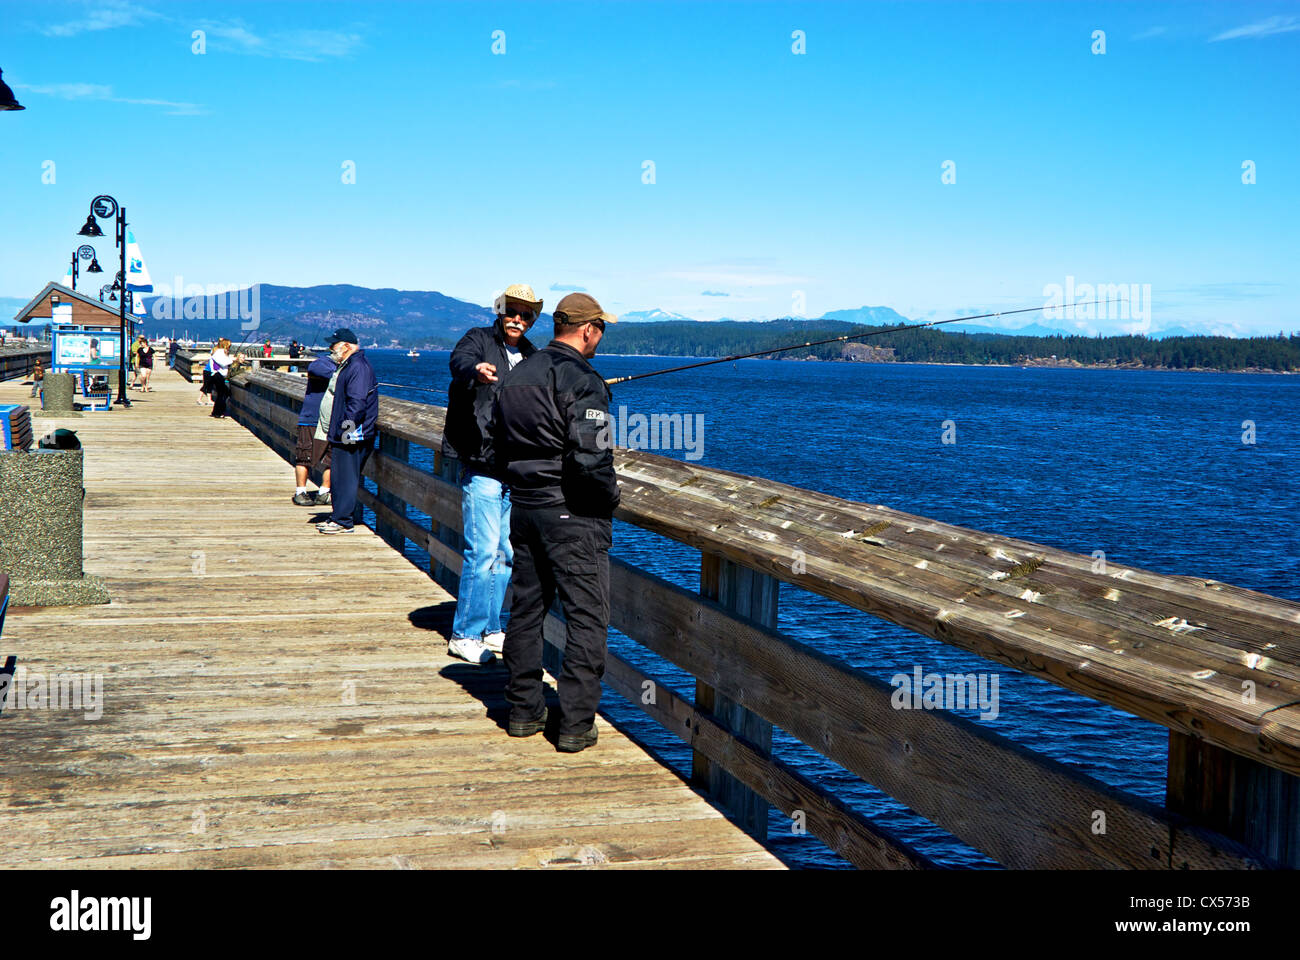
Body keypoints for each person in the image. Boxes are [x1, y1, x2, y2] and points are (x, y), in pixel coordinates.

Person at [493, 293, 620, 753]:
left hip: (524, 507)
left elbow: (497, 442)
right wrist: (610, 499)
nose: (600, 338)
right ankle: (574, 724)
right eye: (602, 330)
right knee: (587, 618)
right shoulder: (584, 379)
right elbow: (591, 458)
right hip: (573, 513)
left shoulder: (518, 373)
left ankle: (524, 711)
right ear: (589, 329)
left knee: (527, 611)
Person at [441, 283, 542, 665]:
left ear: (533, 320)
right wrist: (475, 371)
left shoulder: (533, 356)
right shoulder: (478, 340)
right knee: (481, 552)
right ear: (500, 311)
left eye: (526, 314)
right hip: (482, 465)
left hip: (514, 469)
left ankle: (491, 627)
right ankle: (464, 633)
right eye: (512, 311)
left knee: (506, 553)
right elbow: (458, 362)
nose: (518, 318)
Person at [314, 328, 377, 535]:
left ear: (346, 346)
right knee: (339, 477)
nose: (331, 350)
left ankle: (344, 521)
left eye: (334, 346)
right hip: (344, 433)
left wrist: (345, 429)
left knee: (347, 478)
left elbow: (357, 403)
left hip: (352, 434)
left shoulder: (358, 367)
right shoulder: (349, 365)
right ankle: (337, 516)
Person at [293, 350, 336, 505]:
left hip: (330, 420)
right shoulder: (323, 362)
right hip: (311, 418)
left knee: (332, 457)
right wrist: (338, 374)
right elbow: (313, 367)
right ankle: (300, 492)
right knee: (305, 455)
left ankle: (324, 492)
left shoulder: (345, 367)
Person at [209, 337, 235, 418]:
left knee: (223, 393)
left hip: (219, 375)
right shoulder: (219, 352)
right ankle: (218, 412)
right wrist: (233, 360)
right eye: (229, 345)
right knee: (222, 393)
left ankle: (217, 411)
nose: (230, 347)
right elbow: (223, 363)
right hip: (217, 375)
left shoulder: (222, 353)